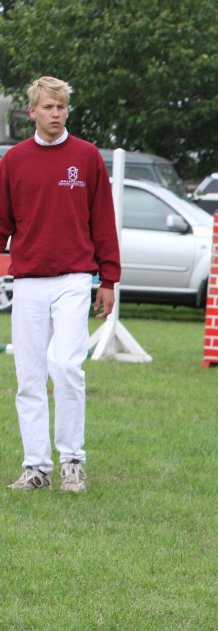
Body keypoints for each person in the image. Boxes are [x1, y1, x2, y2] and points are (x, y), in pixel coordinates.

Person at [0, 76, 120, 493]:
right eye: (48, 107)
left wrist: (109, 278)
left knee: (67, 367)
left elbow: (103, 219)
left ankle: (73, 462)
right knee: (29, 376)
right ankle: (36, 468)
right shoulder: (14, 160)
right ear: (32, 111)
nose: (56, 114)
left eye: (62, 107)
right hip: (29, 280)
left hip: (74, 278)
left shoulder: (86, 158)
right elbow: (1, 222)